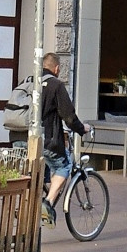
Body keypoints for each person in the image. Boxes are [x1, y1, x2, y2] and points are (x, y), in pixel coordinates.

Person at [40, 53, 90, 228]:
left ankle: (37, 199)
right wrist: (82, 128)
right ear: (57, 68)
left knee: (43, 169)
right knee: (64, 165)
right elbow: (69, 117)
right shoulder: (56, 85)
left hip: (21, 139)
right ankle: (47, 203)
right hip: (45, 140)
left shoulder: (29, 81)